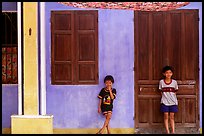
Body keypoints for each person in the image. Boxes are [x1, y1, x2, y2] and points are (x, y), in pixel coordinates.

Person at [159, 66, 178, 134]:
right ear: (164, 74)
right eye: (166, 73)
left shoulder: (174, 82)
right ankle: (167, 131)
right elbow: (161, 91)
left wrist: (171, 97)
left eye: (170, 72)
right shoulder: (161, 82)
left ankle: (173, 131)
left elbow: (175, 91)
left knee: (172, 117)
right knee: (166, 116)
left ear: (172, 73)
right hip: (164, 102)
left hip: (173, 102)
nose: (168, 74)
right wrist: (165, 98)